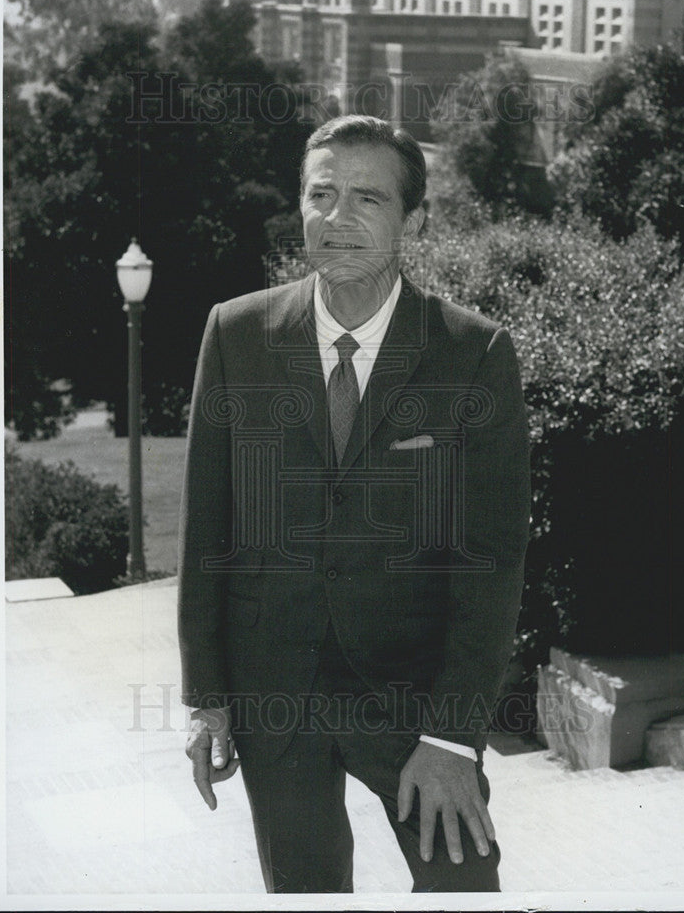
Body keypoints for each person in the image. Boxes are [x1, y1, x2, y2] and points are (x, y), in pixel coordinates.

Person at [177, 114, 531, 893]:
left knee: (464, 888)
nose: (336, 220)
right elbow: (208, 534)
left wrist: (451, 738)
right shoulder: (235, 334)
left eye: (367, 199)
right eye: (321, 193)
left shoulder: (474, 355)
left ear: (413, 220)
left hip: (415, 701)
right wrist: (207, 699)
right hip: (277, 697)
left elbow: (492, 568)